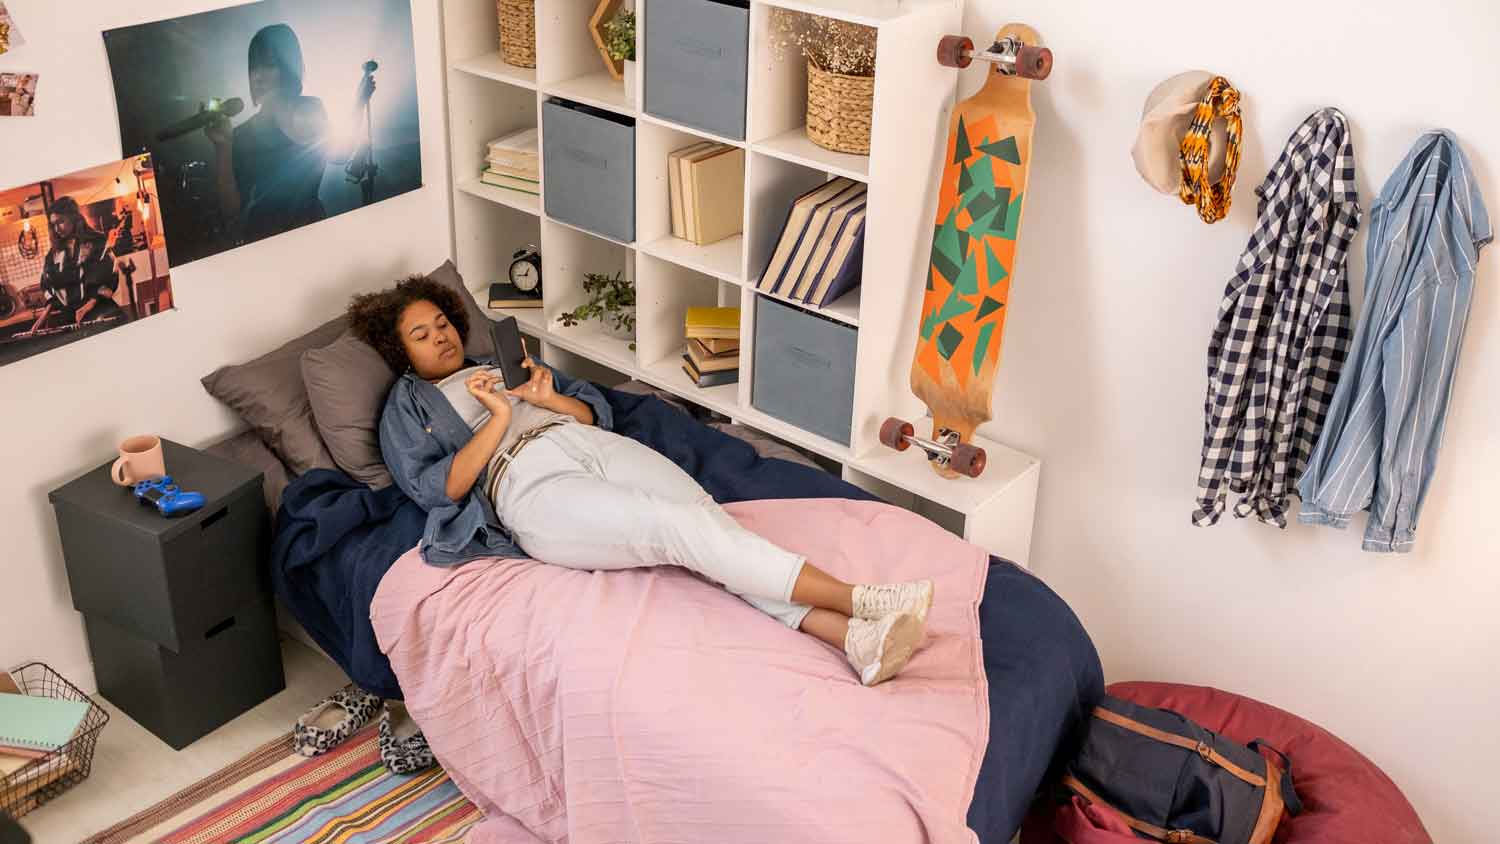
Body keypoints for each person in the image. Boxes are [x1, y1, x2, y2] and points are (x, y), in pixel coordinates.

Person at [350, 277, 936, 686]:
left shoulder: (494, 367)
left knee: (704, 521)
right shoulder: (405, 408)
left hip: (586, 442)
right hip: (526, 483)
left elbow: (589, 413)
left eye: (443, 323)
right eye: (421, 335)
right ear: (399, 352)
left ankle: (853, 641)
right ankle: (862, 600)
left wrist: (546, 396)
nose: (442, 336)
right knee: (674, 527)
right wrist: (501, 418)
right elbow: (439, 490)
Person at [205, 23, 375, 243]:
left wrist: (359, 102)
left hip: (315, 231)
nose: (258, 76)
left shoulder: (313, 107)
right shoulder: (242, 135)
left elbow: (339, 155)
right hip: (267, 239)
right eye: (254, 67)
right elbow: (231, 211)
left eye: (269, 65)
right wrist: (223, 147)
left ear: (288, 67)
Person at [26, 196, 122, 335]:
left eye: (61, 222)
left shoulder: (97, 242)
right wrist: (41, 318)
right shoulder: (53, 255)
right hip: (72, 321)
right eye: (53, 224)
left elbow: (109, 277)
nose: (57, 228)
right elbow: (49, 286)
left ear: (73, 218)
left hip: (101, 312)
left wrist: (87, 307)